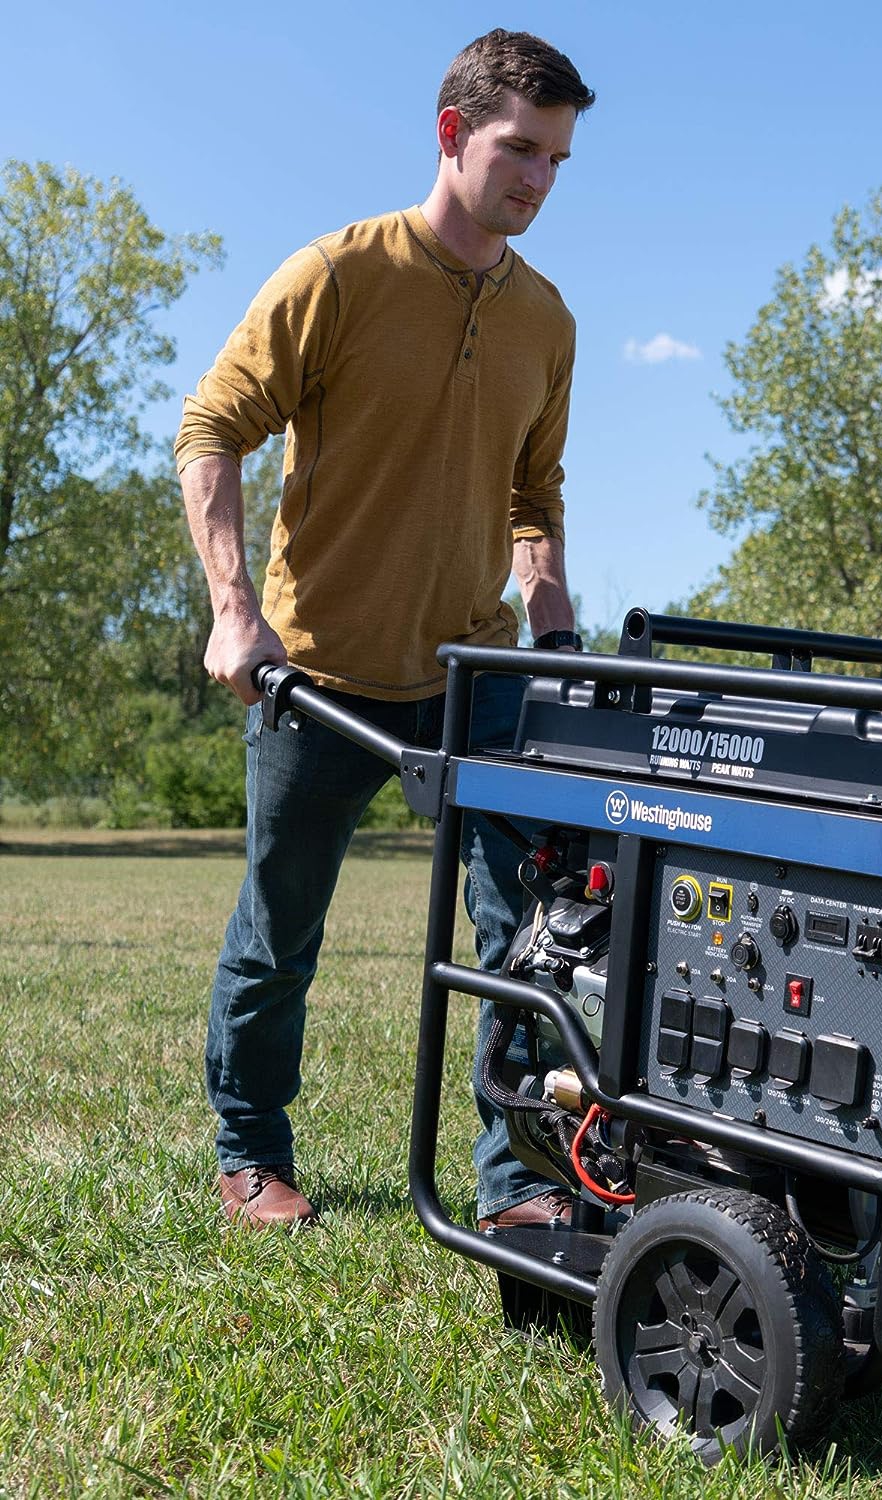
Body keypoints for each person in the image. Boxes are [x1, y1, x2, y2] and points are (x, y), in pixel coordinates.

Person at [175, 29, 595, 1230]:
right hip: (317, 676)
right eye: (521, 150)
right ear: (453, 133)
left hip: (475, 675)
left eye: (559, 160)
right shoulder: (339, 276)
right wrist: (233, 609)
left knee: (530, 938)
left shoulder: (548, 322)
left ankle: (517, 1186)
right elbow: (211, 429)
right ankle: (251, 1157)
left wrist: (546, 591)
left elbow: (536, 491)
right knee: (279, 930)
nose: (538, 180)